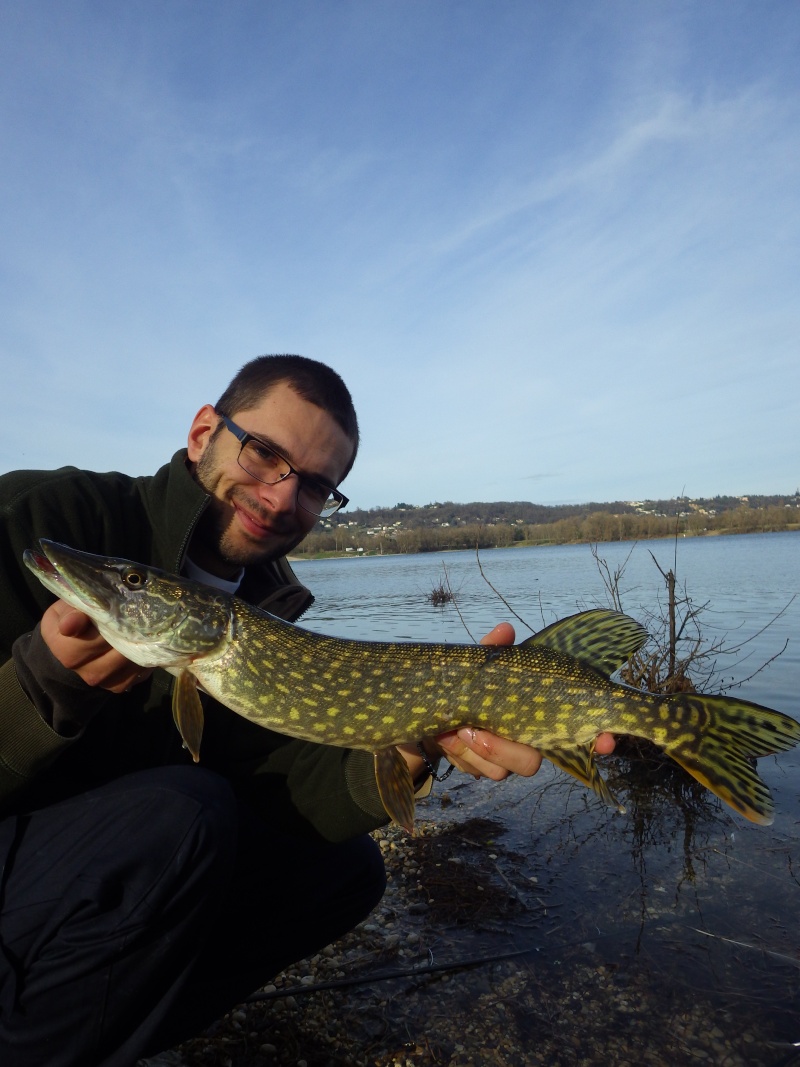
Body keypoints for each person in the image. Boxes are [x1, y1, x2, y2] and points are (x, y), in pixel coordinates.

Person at [0, 354, 614, 1066]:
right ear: (203, 432)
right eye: (265, 454)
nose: (281, 496)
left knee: (346, 874)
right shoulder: (41, 515)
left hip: (107, 873)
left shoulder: (268, 608)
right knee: (182, 813)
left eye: (317, 485)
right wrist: (34, 690)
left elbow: (280, 783)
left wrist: (416, 746)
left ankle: (100, 1035)